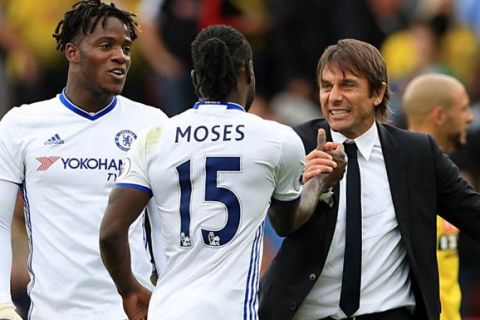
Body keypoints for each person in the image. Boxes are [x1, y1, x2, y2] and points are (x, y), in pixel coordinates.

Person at [99, 24, 346, 320]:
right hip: (232, 312)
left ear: (195, 80)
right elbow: (286, 223)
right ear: (248, 72)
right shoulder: (277, 140)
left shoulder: (155, 136)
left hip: (168, 311)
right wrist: (318, 183)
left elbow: (111, 232)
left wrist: (130, 290)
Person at [259, 38, 480, 320]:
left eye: (347, 85)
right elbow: (279, 224)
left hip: (390, 313)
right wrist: (310, 186)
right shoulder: (293, 145)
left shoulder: (417, 153)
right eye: (326, 86)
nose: (334, 96)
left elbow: (473, 212)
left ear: (377, 93)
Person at [0, 1, 168, 319]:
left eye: (126, 48)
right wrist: (2, 303)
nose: (121, 56)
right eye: (106, 45)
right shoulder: (21, 124)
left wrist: (170, 300)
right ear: (72, 52)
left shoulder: (153, 124)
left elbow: (164, 228)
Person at [402, 73, 474, 320]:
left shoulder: (448, 185)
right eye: (464, 108)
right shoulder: (399, 180)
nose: (470, 117)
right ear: (440, 115)